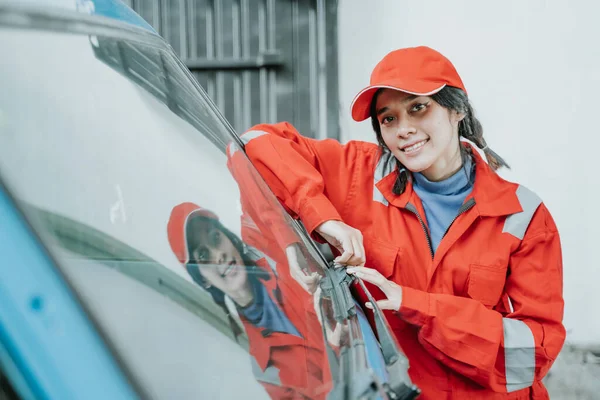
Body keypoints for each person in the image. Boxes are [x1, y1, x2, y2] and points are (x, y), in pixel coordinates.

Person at [237, 46, 565, 399]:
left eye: (417, 108)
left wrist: (415, 306)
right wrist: (325, 220)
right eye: (388, 118)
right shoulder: (356, 176)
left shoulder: (522, 215)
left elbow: (532, 355)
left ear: (457, 110)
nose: (403, 129)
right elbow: (256, 143)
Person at [167, 203, 331, 400]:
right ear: (202, 279)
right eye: (203, 255)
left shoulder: (283, 259)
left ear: (230, 238)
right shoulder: (265, 369)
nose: (219, 256)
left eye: (216, 237)